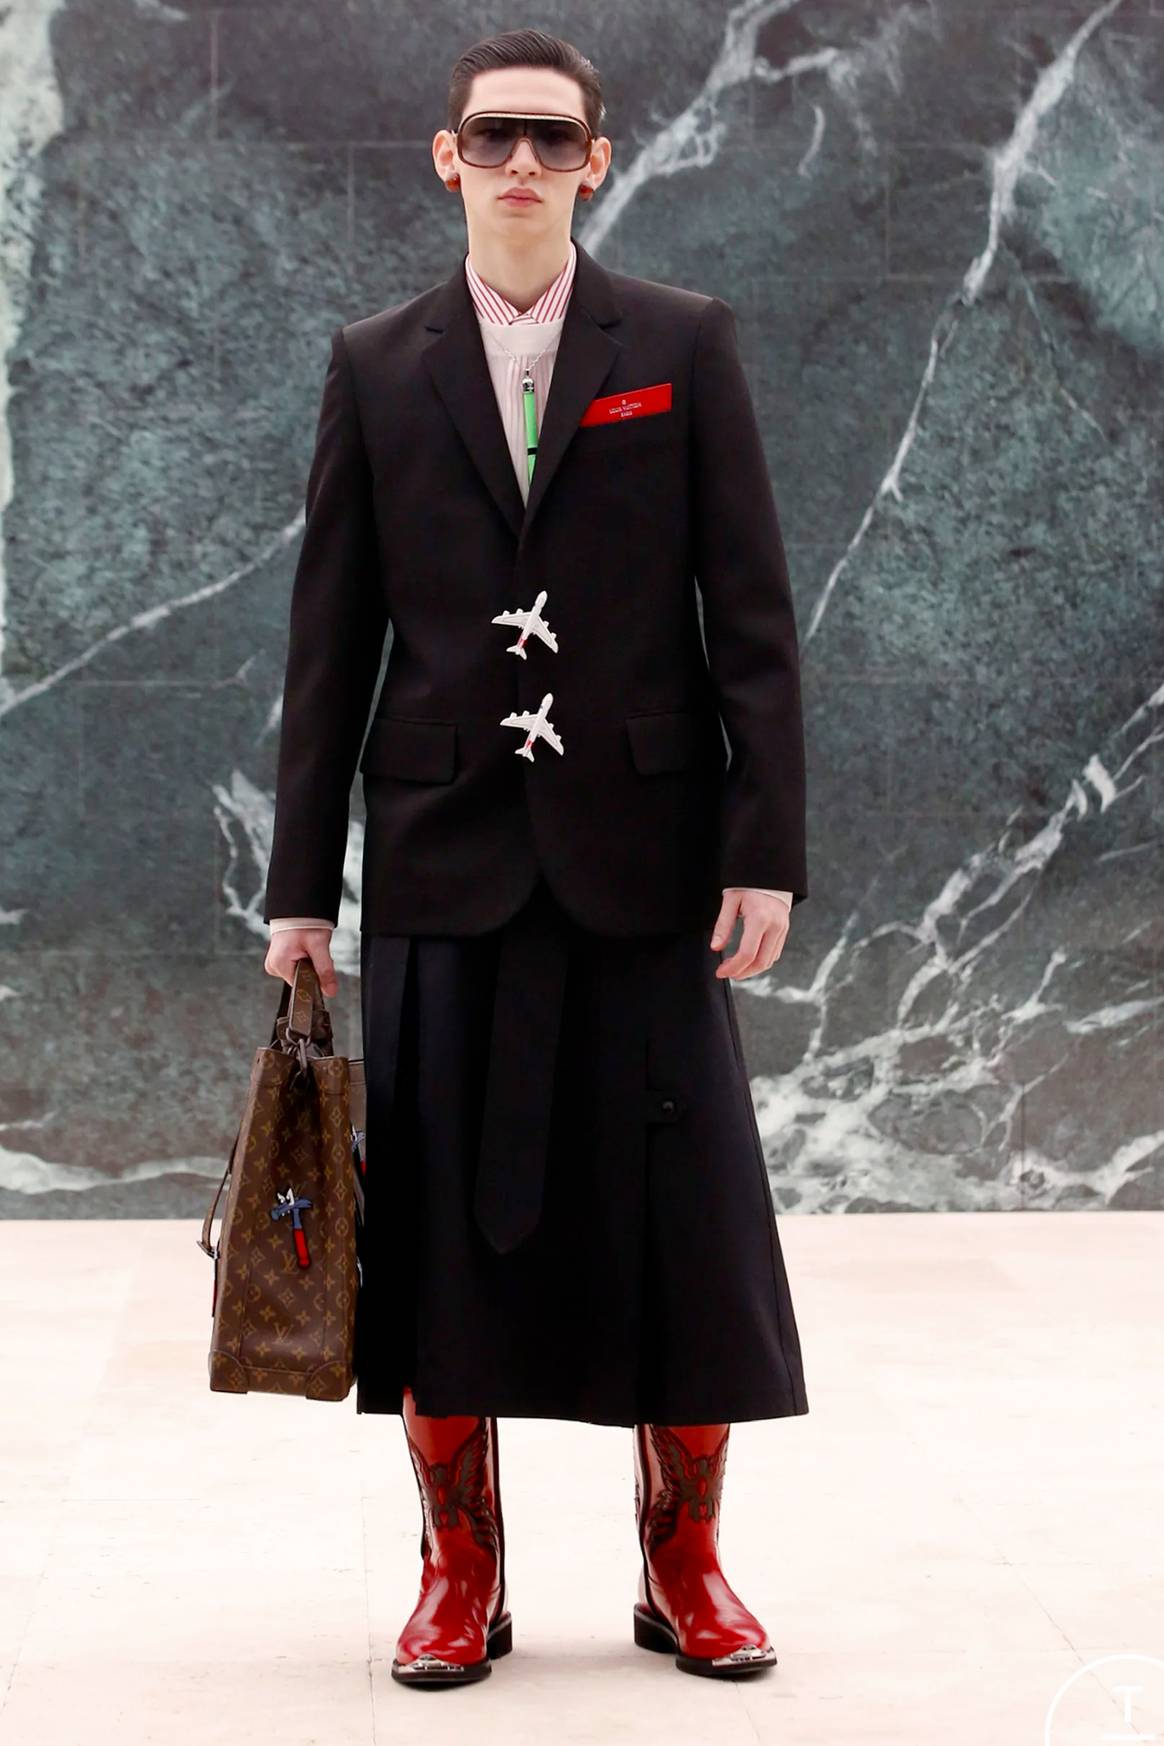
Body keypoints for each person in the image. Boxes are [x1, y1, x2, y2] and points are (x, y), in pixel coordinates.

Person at [262, 27, 809, 1690]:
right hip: (442, 854)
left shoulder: (683, 343)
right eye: (491, 136)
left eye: (551, 140)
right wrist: (301, 886)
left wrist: (765, 845)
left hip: (646, 857)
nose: (520, 163)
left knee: (687, 1227)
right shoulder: (376, 364)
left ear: (597, 160)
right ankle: (460, 1568)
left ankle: (684, 1559)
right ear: (446, 158)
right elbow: (330, 643)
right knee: (436, 1230)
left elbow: (753, 615)